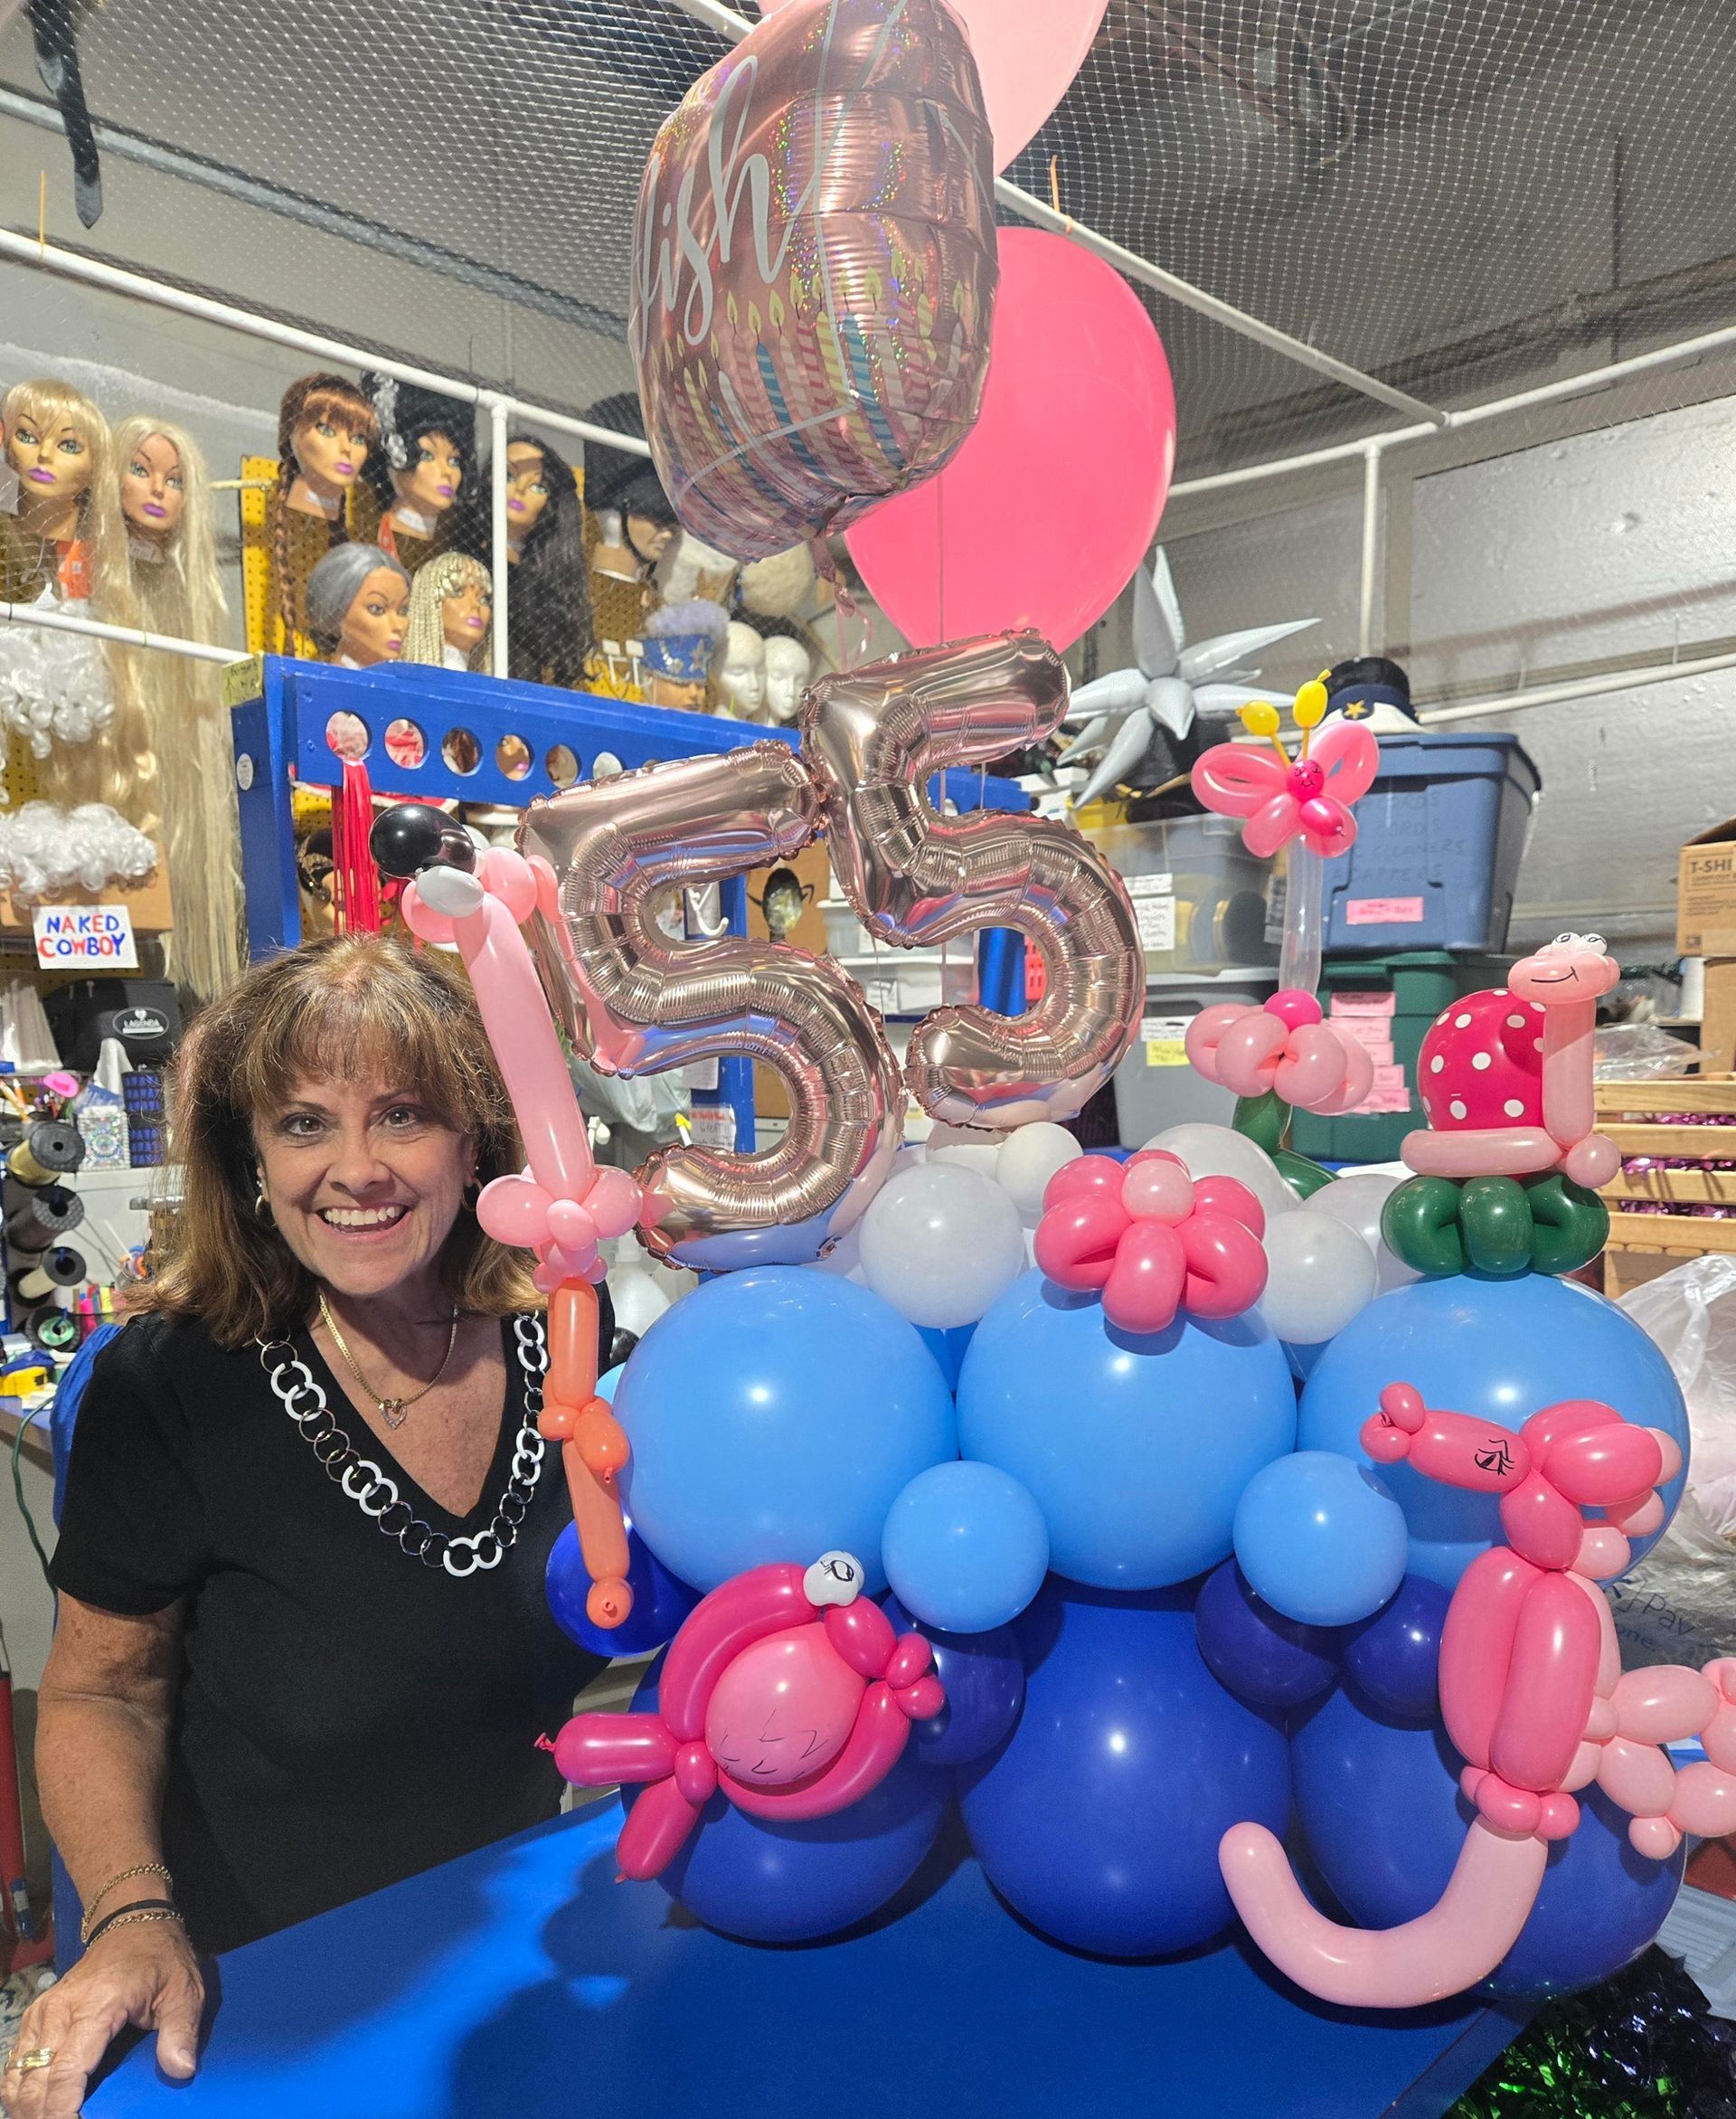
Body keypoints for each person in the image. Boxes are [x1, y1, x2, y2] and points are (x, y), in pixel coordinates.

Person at [3, 936, 612, 2114]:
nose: (357, 1170)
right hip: (263, 2000)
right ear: (250, 1161)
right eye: (303, 1124)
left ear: (478, 1138)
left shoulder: (572, 1358)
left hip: (506, 1975)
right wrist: (132, 1916)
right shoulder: (169, 1387)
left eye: (403, 1116)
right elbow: (98, 1693)